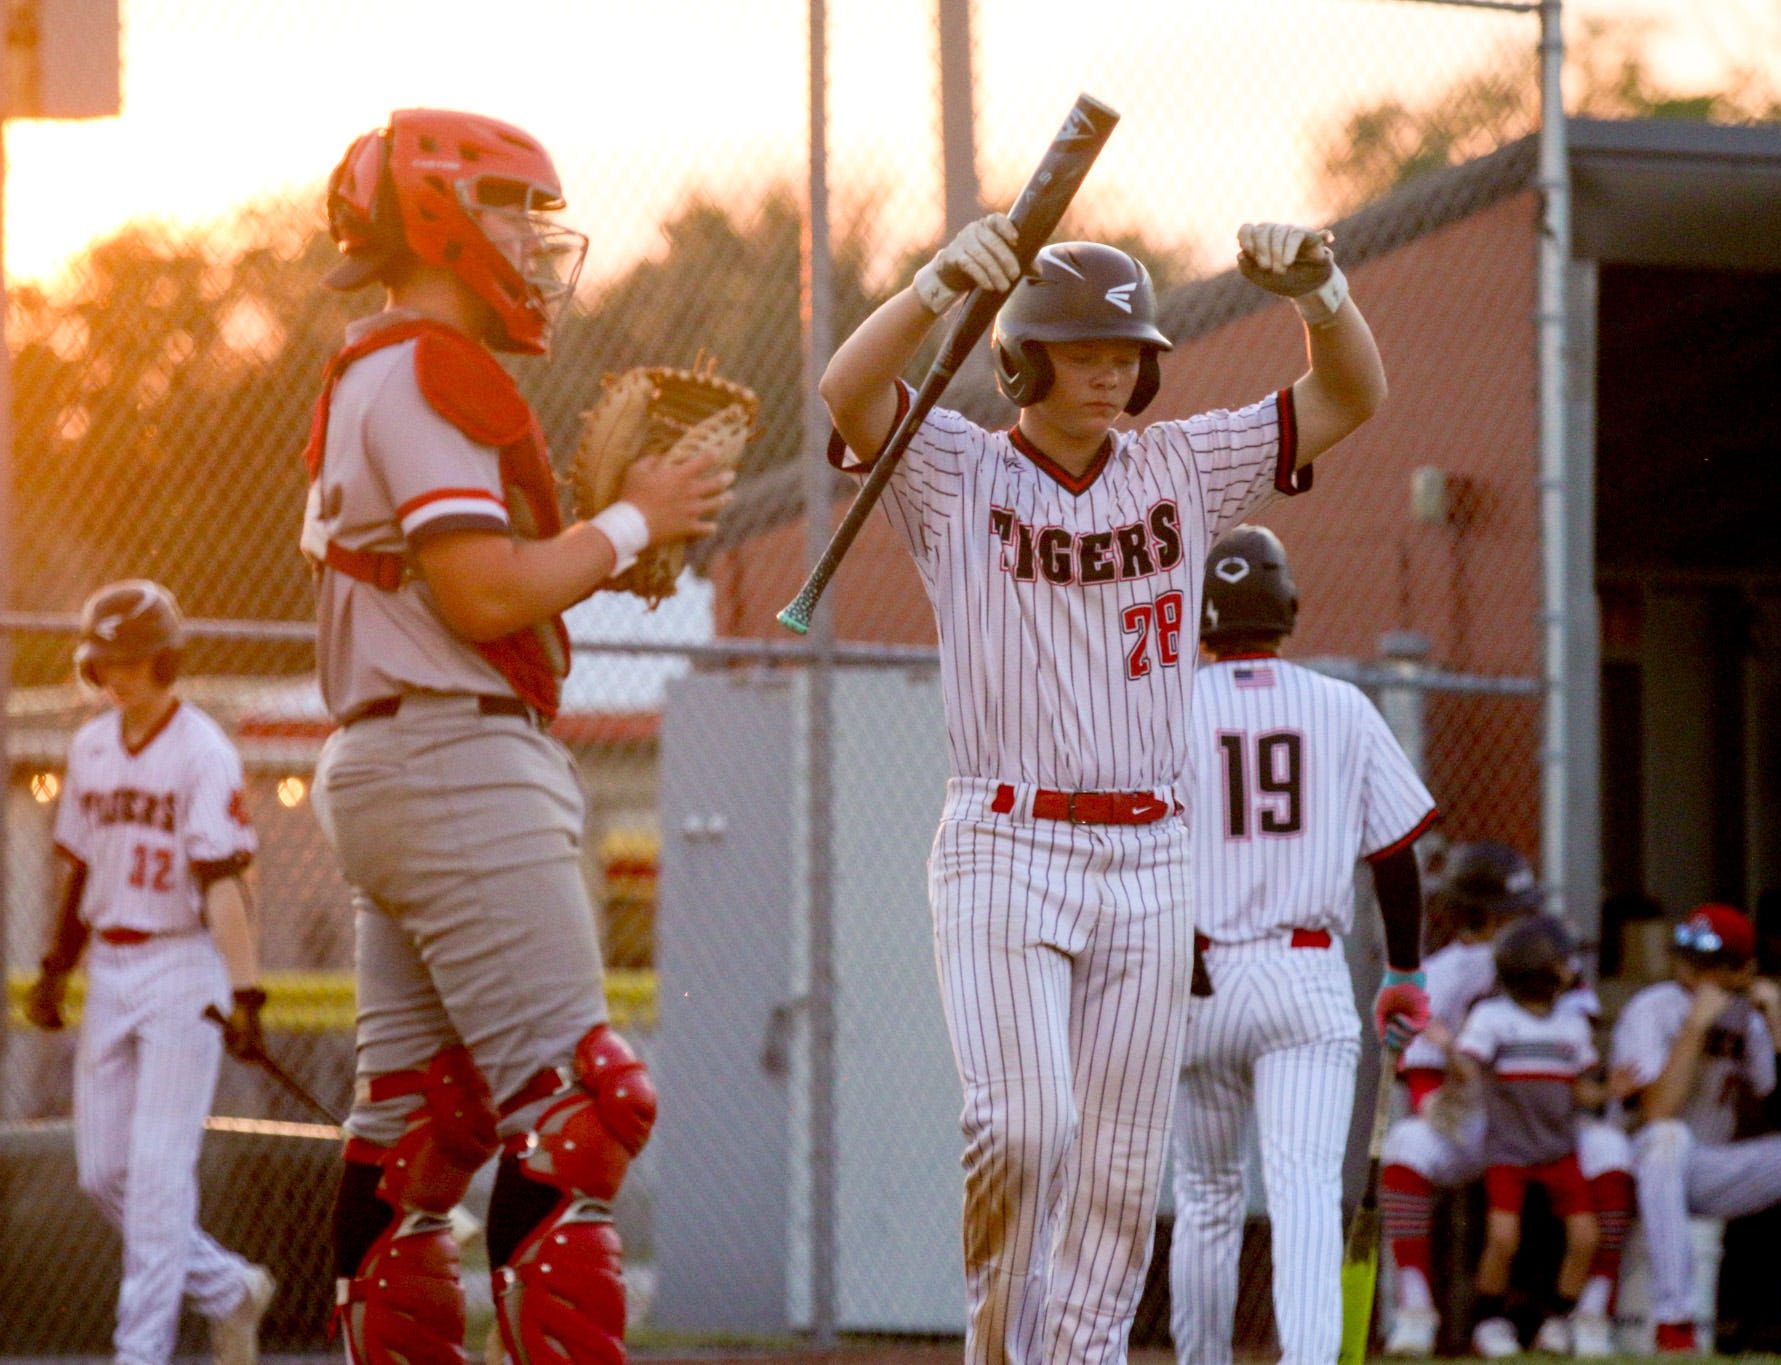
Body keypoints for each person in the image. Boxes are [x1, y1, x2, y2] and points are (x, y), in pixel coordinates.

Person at [818, 213, 1409, 1365]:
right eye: (1080, 349)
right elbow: (849, 387)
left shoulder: (1179, 464)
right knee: (1023, 1125)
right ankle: (1002, 1346)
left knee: (1119, 1166)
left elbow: (1349, 398)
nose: (1111, 369)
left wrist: (1322, 293)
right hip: (1003, 840)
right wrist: (936, 282)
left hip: (1149, 852)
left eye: (1127, 350)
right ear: (1020, 360)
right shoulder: (954, 469)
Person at [303, 109, 732, 1365]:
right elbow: (482, 593)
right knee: (582, 1108)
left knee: (418, 1131)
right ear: (438, 216)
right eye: (510, 210)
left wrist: (596, 540)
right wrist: (633, 523)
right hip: (453, 761)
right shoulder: (435, 365)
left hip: (395, 759)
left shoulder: (368, 362)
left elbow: (468, 586)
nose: (537, 243)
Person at [1166, 526, 1436, 1365]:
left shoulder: (1164, 706)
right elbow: (1396, 856)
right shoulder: (1342, 705)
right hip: (1305, 973)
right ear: (1286, 607)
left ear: (1197, 620)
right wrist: (1404, 969)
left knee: (1207, 1196)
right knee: (1308, 1195)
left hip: (1193, 974)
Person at [25, 580, 274, 1365]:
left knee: (161, 1176)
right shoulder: (94, 744)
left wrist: (245, 992)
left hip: (181, 965)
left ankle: (141, 1353)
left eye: (133, 660)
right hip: (113, 964)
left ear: (165, 658)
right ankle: (229, 1286)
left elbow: (223, 881)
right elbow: (77, 866)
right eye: (106, 663)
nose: (118, 676)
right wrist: (56, 966)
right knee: (104, 1173)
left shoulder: (203, 749)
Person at [1379, 842, 1634, 1359]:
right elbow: (1423, 1067)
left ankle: (1589, 1313)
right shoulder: (1441, 970)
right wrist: (1436, 1106)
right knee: (1407, 1142)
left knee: (1609, 1148)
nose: (1524, 916)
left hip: (1547, 1118)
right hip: (1476, 1119)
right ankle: (1415, 1311)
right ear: (1476, 913)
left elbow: (1571, 1048)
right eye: (1510, 909)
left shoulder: (1554, 961)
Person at [1608, 903, 1781, 1354]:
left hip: (1709, 1168)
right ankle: (1675, 1322)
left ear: (1742, 968)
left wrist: (1778, 1025)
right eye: (1687, 956)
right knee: (1669, 1139)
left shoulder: (1751, 1017)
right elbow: (1658, 1111)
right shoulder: (1653, 1007)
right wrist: (1694, 1029)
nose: (1690, 969)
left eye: (1707, 962)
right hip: (1643, 1162)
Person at [1451, 915, 1604, 1359]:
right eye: (1561, 961)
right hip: (1510, 1151)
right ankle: (1490, 1320)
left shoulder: (1571, 1023)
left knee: (1585, 1238)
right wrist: (1452, 1051)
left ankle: (1559, 1320)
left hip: (1560, 1150)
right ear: (1542, 971)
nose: (1570, 967)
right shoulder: (1493, 1017)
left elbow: (1580, 1088)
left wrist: (1613, 1091)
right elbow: (1469, 1063)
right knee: (1503, 1239)